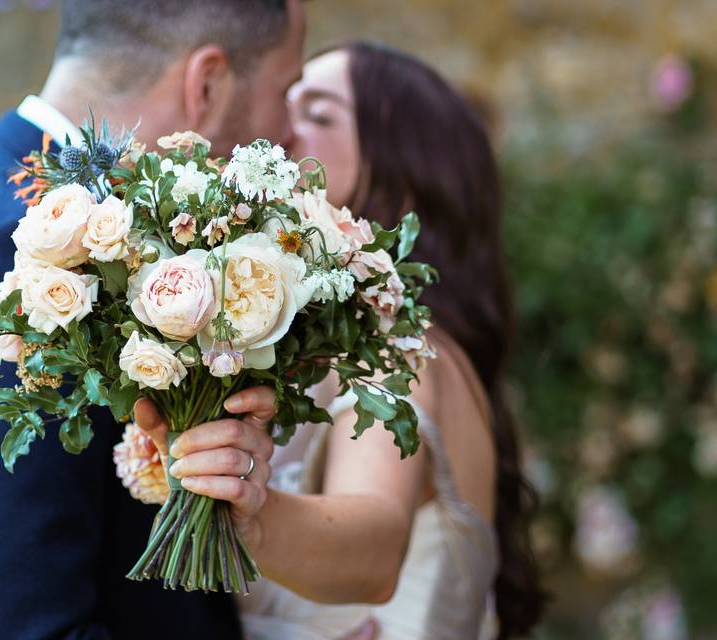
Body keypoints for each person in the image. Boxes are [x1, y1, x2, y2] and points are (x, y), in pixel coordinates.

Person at [0, 2, 305, 638]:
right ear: (205, 83)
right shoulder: (14, 265)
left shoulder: (22, 218)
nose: (290, 131)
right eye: (287, 91)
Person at [140, 42, 546, 639]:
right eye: (289, 100)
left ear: (407, 178)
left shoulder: (404, 347)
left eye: (318, 114)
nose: (281, 128)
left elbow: (374, 549)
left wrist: (254, 513)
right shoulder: (328, 347)